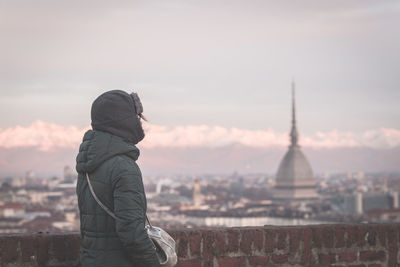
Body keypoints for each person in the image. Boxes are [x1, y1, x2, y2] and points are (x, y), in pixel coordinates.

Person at [76, 90, 160, 267]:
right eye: (136, 117)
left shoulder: (89, 162)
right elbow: (132, 233)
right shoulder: (123, 167)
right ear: (124, 121)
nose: (140, 122)